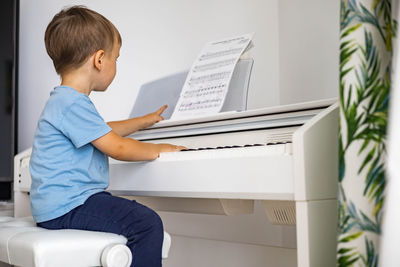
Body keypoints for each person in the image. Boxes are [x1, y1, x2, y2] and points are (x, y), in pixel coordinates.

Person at [29, 5, 185, 267]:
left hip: (60, 205)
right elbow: (118, 148)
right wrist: (160, 148)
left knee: (125, 215)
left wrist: (142, 121)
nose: (116, 64)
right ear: (99, 59)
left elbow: (102, 130)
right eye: (117, 58)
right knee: (147, 224)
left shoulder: (65, 100)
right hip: (69, 206)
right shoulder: (72, 103)